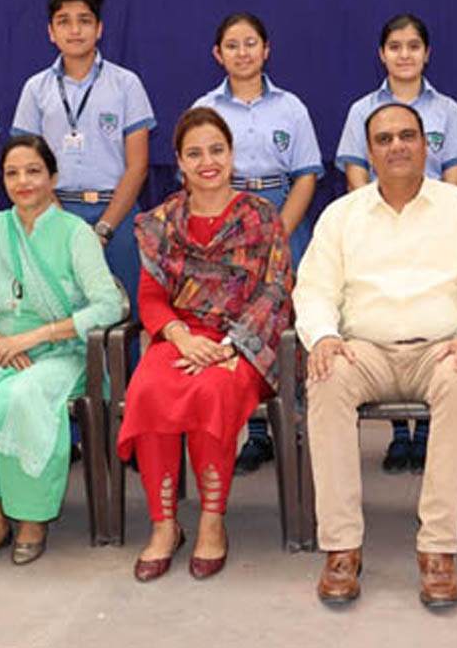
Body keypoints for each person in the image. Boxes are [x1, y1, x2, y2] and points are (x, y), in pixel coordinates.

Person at [294, 103, 457, 609]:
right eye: (384, 139)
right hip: (363, 349)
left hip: (440, 349)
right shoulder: (341, 215)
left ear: (426, 145)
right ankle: (342, 547)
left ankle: (438, 549)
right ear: (368, 152)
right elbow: (314, 289)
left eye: (407, 136)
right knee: (325, 380)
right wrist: (323, 335)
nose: (397, 146)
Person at [0, 135, 124, 574]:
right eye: (12, 173)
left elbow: (108, 305)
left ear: (52, 177)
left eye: (33, 171)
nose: (22, 181)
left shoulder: (76, 234)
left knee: (20, 399)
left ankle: (31, 518)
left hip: (59, 354)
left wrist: (32, 339)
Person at [117, 107, 293, 582]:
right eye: (194, 153)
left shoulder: (261, 217)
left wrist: (230, 346)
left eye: (216, 150)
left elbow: (276, 290)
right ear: (178, 161)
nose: (207, 161)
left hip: (244, 343)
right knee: (150, 389)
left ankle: (213, 522)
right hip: (180, 335)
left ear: (232, 155)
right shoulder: (161, 222)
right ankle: (164, 526)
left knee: (212, 389)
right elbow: (151, 297)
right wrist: (180, 336)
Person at [334, 13, 457, 474]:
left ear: (427, 53)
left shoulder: (448, 110)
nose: (404, 54)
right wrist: (373, 218)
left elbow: (455, 174)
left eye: (413, 46)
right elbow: (356, 171)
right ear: (382, 54)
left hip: (435, 229)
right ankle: (400, 436)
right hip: (378, 226)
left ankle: (432, 432)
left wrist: (441, 216)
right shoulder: (362, 109)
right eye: (395, 46)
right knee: (387, 314)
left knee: (430, 316)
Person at [191, 12, 320, 475]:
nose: (242, 53)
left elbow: (306, 174)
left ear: (266, 49)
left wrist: (277, 233)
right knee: (238, 319)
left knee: (290, 318)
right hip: (225, 216)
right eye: (232, 45)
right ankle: (257, 432)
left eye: (251, 44)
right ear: (217, 54)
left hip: (282, 211)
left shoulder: (291, 108)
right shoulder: (205, 110)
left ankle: (300, 417)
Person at [12, 0, 157, 305]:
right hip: (52, 213)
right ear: (51, 31)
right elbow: (27, 165)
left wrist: (104, 229)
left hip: (116, 216)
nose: (75, 30)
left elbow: (138, 166)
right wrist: (63, 225)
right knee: (57, 313)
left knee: (124, 316)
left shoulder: (126, 84)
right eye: (64, 21)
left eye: (84, 20)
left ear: (99, 28)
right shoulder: (36, 89)